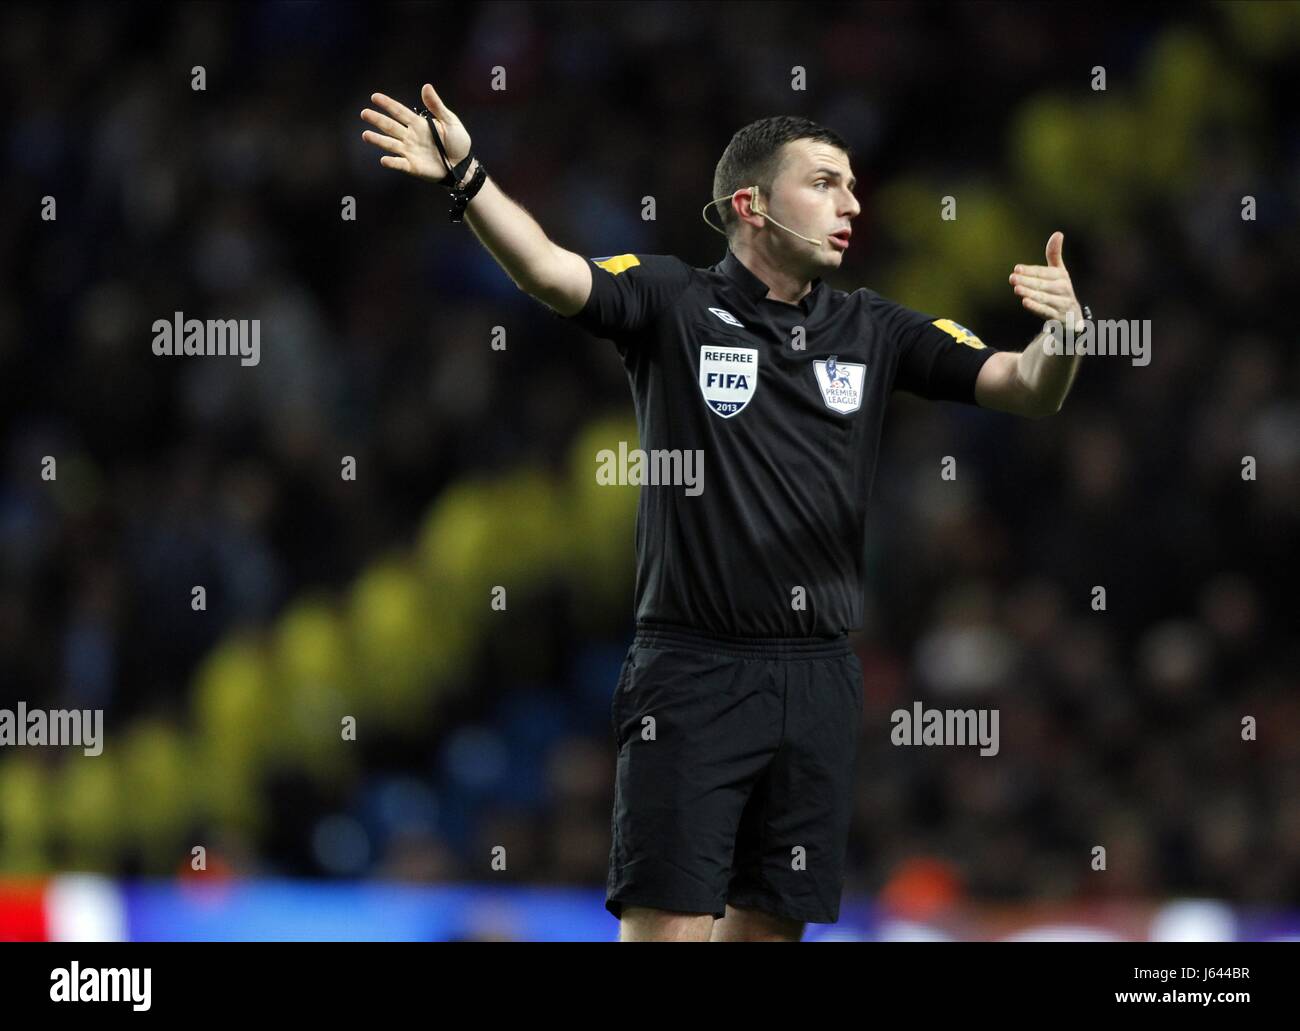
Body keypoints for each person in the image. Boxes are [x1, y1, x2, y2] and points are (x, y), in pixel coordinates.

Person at [361, 85, 1085, 942]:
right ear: (750, 205)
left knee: (768, 933)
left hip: (818, 676)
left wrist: (1064, 338)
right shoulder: (674, 301)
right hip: (694, 671)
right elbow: (553, 271)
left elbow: (1026, 387)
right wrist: (470, 179)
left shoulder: (875, 328)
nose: (851, 203)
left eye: (852, 186)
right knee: (669, 931)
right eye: (824, 182)